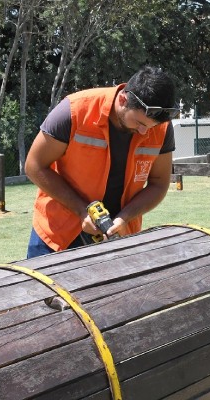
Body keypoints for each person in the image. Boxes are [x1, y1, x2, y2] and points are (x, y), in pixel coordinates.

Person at [25, 66, 179, 258]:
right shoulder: (74, 111)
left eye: (151, 127)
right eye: (139, 123)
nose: (144, 132)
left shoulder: (160, 127)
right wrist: (82, 211)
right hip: (56, 235)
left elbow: (159, 183)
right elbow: (34, 166)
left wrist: (125, 217)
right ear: (123, 99)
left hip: (117, 238)